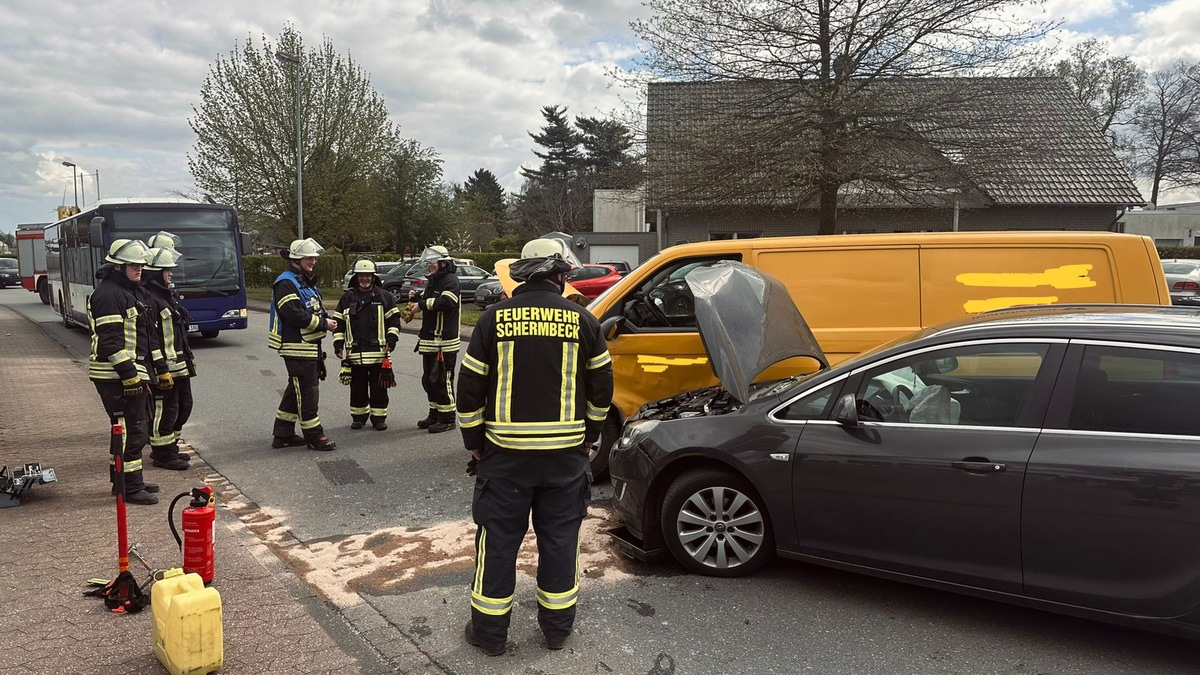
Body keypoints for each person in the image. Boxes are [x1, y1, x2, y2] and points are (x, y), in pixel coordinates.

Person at [456, 251, 614, 656]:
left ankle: (490, 636)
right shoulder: (584, 320)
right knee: (561, 541)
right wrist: (590, 434)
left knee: (499, 542)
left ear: (520, 277)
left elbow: (470, 387)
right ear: (560, 278)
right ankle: (557, 632)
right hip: (565, 458)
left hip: (505, 458)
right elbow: (602, 388)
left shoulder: (494, 319)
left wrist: (474, 441)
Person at [87, 239, 169, 505]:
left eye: (141, 265)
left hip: (127, 372)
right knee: (134, 431)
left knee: (124, 431)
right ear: (118, 266)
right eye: (133, 265)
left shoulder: (130, 291)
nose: (139, 269)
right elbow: (111, 341)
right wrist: (129, 375)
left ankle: (124, 481)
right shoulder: (109, 294)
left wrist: (155, 370)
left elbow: (144, 336)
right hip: (115, 376)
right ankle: (130, 488)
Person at [267, 237, 338, 450]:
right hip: (296, 346)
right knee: (307, 392)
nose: (313, 262)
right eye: (309, 258)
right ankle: (315, 438)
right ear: (296, 259)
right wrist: (323, 323)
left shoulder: (303, 281)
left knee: (295, 389)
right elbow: (293, 314)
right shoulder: (286, 282)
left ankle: (283, 434)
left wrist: (327, 320)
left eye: (314, 258)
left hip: (308, 345)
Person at [330, 259, 402, 430]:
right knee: (357, 388)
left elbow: (394, 321)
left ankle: (379, 419)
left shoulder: (385, 297)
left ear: (373, 277)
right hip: (355, 354)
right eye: (361, 275)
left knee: (379, 388)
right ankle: (359, 417)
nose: (365, 279)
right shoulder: (347, 298)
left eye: (368, 275)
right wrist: (338, 343)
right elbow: (338, 323)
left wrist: (392, 340)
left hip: (379, 354)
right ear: (356, 277)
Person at [142, 244, 193, 470]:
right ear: (154, 272)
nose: (170, 273)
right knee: (165, 409)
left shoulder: (166, 295)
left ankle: (170, 447)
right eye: (166, 270)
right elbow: (152, 338)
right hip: (164, 367)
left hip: (179, 364)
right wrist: (160, 369)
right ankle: (162, 453)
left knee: (183, 406)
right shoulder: (149, 299)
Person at [409, 245, 460, 433]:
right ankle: (435, 414)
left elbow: (446, 302)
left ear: (443, 263)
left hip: (444, 343)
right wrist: (418, 296)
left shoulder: (450, 280)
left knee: (442, 380)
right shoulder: (434, 281)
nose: (430, 265)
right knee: (428, 380)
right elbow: (432, 300)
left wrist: (421, 304)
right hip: (430, 341)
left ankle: (447, 418)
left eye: (433, 262)